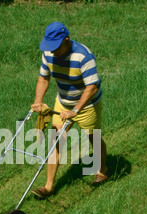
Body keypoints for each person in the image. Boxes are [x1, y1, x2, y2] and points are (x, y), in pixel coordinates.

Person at [30, 22, 108, 198]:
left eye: (56, 47)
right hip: (63, 102)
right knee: (55, 141)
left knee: (93, 137)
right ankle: (48, 186)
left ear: (67, 40)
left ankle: (102, 170)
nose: (53, 52)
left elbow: (92, 87)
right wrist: (38, 101)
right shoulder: (48, 54)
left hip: (87, 105)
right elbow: (43, 78)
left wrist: (76, 110)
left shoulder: (83, 56)